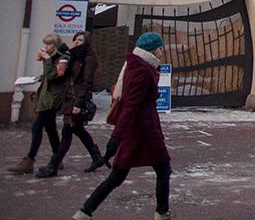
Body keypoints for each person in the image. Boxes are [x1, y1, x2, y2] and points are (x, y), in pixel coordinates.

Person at [74, 32, 172, 220]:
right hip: (144, 130)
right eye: (160, 48)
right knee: (161, 169)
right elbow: (131, 105)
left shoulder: (136, 66)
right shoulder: (143, 71)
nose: (161, 52)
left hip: (137, 129)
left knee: (120, 175)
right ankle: (161, 212)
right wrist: (116, 137)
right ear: (152, 50)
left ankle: (85, 212)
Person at [35, 31, 104, 177]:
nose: (77, 42)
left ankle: (53, 166)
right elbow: (60, 75)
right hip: (69, 99)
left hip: (76, 100)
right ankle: (97, 157)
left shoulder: (89, 59)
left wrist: (79, 103)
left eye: (80, 40)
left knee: (66, 133)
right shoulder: (72, 57)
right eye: (76, 40)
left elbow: (86, 83)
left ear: (86, 43)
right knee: (78, 130)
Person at [7, 34, 69, 174]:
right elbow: (48, 76)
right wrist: (36, 79)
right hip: (46, 97)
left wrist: (46, 59)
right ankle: (57, 159)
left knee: (37, 127)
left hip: (52, 100)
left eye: (49, 44)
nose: (46, 47)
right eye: (45, 44)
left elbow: (53, 76)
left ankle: (29, 160)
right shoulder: (53, 58)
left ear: (55, 45)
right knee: (50, 128)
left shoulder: (63, 58)